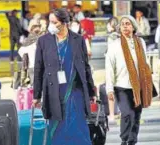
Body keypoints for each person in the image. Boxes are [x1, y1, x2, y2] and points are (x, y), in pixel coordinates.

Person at [32, 8, 96, 145]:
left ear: (64, 23)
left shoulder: (78, 40)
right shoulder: (44, 41)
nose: (51, 25)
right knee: (57, 128)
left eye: (54, 22)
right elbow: (39, 69)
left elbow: (85, 67)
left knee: (77, 127)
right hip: (54, 92)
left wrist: (91, 91)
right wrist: (36, 95)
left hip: (75, 92)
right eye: (50, 22)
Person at [106, 15, 154, 145]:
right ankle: (125, 139)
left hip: (138, 86)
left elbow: (144, 63)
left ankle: (132, 141)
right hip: (121, 86)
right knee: (127, 114)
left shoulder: (140, 42)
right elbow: (109, 66)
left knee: (136, 115)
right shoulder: (114, 45)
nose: (125, 26)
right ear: (119, 28)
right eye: (122, 24)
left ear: (133, 26)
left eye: (128, 23)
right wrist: (109, 88)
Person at [18, 21, 41, 85]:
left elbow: (20, 51)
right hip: (38, 65)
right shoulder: (40, 40)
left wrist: (26, 56)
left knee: (33, 83)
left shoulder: (27, 40)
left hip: (30, 65)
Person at [6, 10, 23, 75]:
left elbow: (6, 14)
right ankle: (19, 58)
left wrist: (9, 13)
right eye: (16, 13)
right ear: (15, 13)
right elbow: (19, 27)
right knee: (18, 48)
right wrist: (21, 33)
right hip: (17, 35)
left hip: (11, 35)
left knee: (12, 48)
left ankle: (11, 59)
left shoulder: (9, 18)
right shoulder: (16, 19)